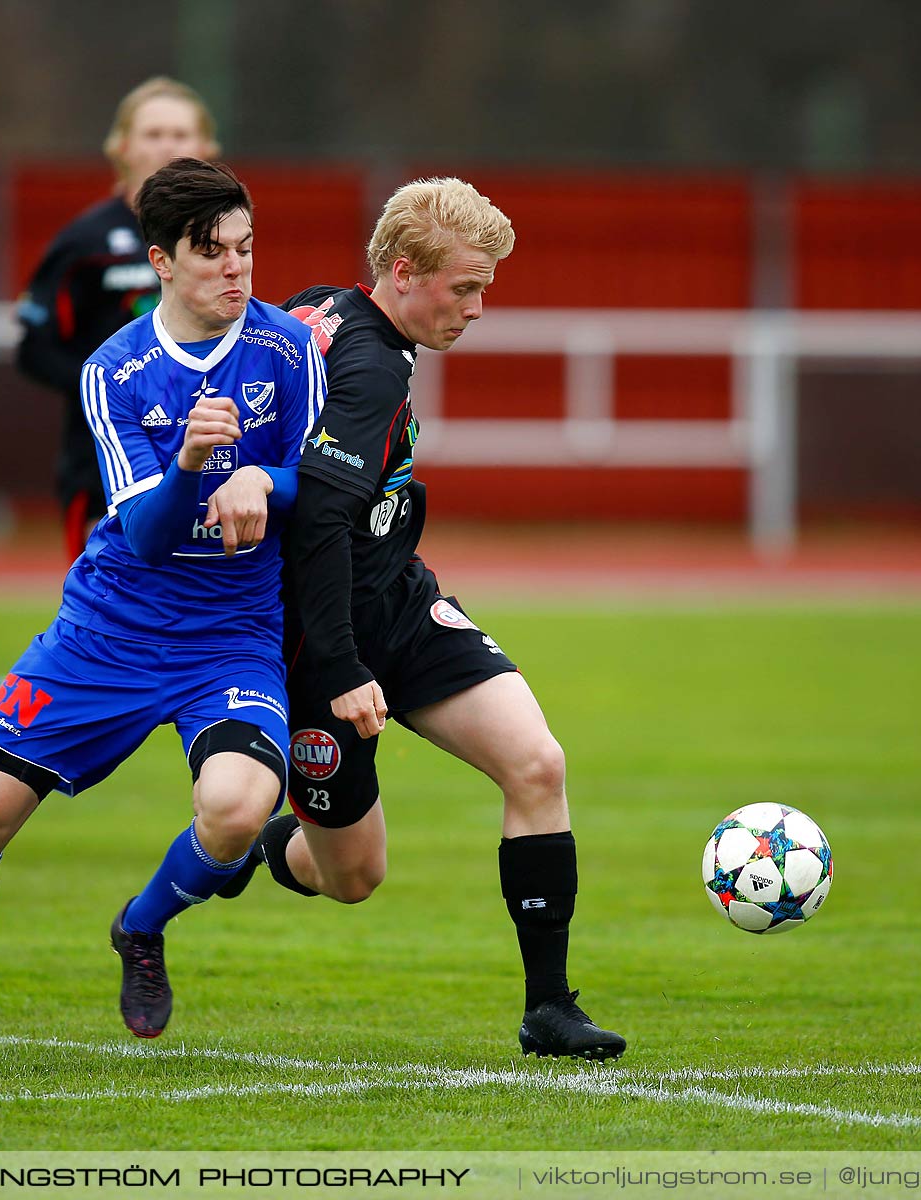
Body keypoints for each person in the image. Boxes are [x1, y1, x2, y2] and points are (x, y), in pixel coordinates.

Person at [0, 159, 325, 1070]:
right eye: (212, 254)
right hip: (111, 629)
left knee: (239, 810)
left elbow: (319, 486)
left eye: (246, 249)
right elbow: (148, 536)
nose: (236, 270)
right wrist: (198, 463)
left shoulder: (286, 351)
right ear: (161, 261)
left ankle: (141, 923)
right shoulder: (115, 369)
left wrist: (257, 475)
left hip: (232, 634)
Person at [218, 179, 626, 1061]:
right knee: (355, 878)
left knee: (537, 763)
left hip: (402, 601)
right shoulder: (370, 364)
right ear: (404, 272)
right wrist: (335, 668)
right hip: (322, 640)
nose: (479, 308)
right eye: (467, 287)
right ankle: (265, 848)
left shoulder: (320, 308)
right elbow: (320, 519)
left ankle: (549, 1008)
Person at [15, 77, 222, 563]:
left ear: (206, 147)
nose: (168, 146)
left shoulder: (226, 238)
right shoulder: (83, 243)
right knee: (107, 607)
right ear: (122, 147)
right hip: (102, 462)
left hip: (210, 456)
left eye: (180, 134)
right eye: (153, 134)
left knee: (203, 603)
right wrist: (117, 390)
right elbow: (34, 349)